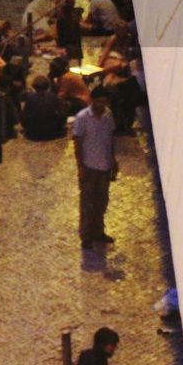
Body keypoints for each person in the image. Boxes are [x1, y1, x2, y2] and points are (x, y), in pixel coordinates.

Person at [74, 87, 118, 250]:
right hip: (89, 166)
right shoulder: (82, 118)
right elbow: (77, 142)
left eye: (105, 102)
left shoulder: (108, 115)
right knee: (87, 202)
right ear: (92, 100)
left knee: (101, 201)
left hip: (104, 166)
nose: (103, 104)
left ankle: (98, 231)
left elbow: (110, 139)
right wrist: (80, 166)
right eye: (100, 101)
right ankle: (86, 235)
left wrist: (113, 160)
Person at [21, 74, 67, 141]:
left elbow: (24, 115)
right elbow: (62, 114)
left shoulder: (29, 97)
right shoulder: (53, 97)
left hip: (33, 133)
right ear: (48, 86)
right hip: (52, 132)